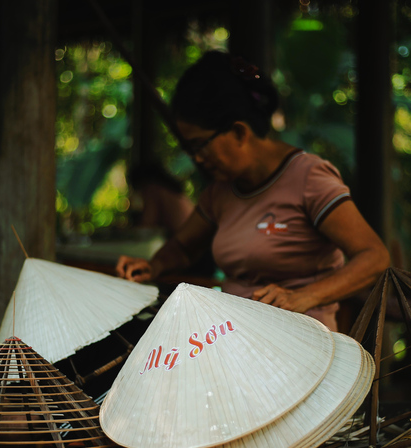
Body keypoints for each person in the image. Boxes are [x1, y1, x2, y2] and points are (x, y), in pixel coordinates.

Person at [116, 51, 390, 331]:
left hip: (303, 343)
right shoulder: (220, 191)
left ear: (238, 132)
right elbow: (183, 248)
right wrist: (153, 266)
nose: (196, 158)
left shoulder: (308, 178)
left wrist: (304, 297)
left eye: (200, 145)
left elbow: (374, 257)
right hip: (237, 339)